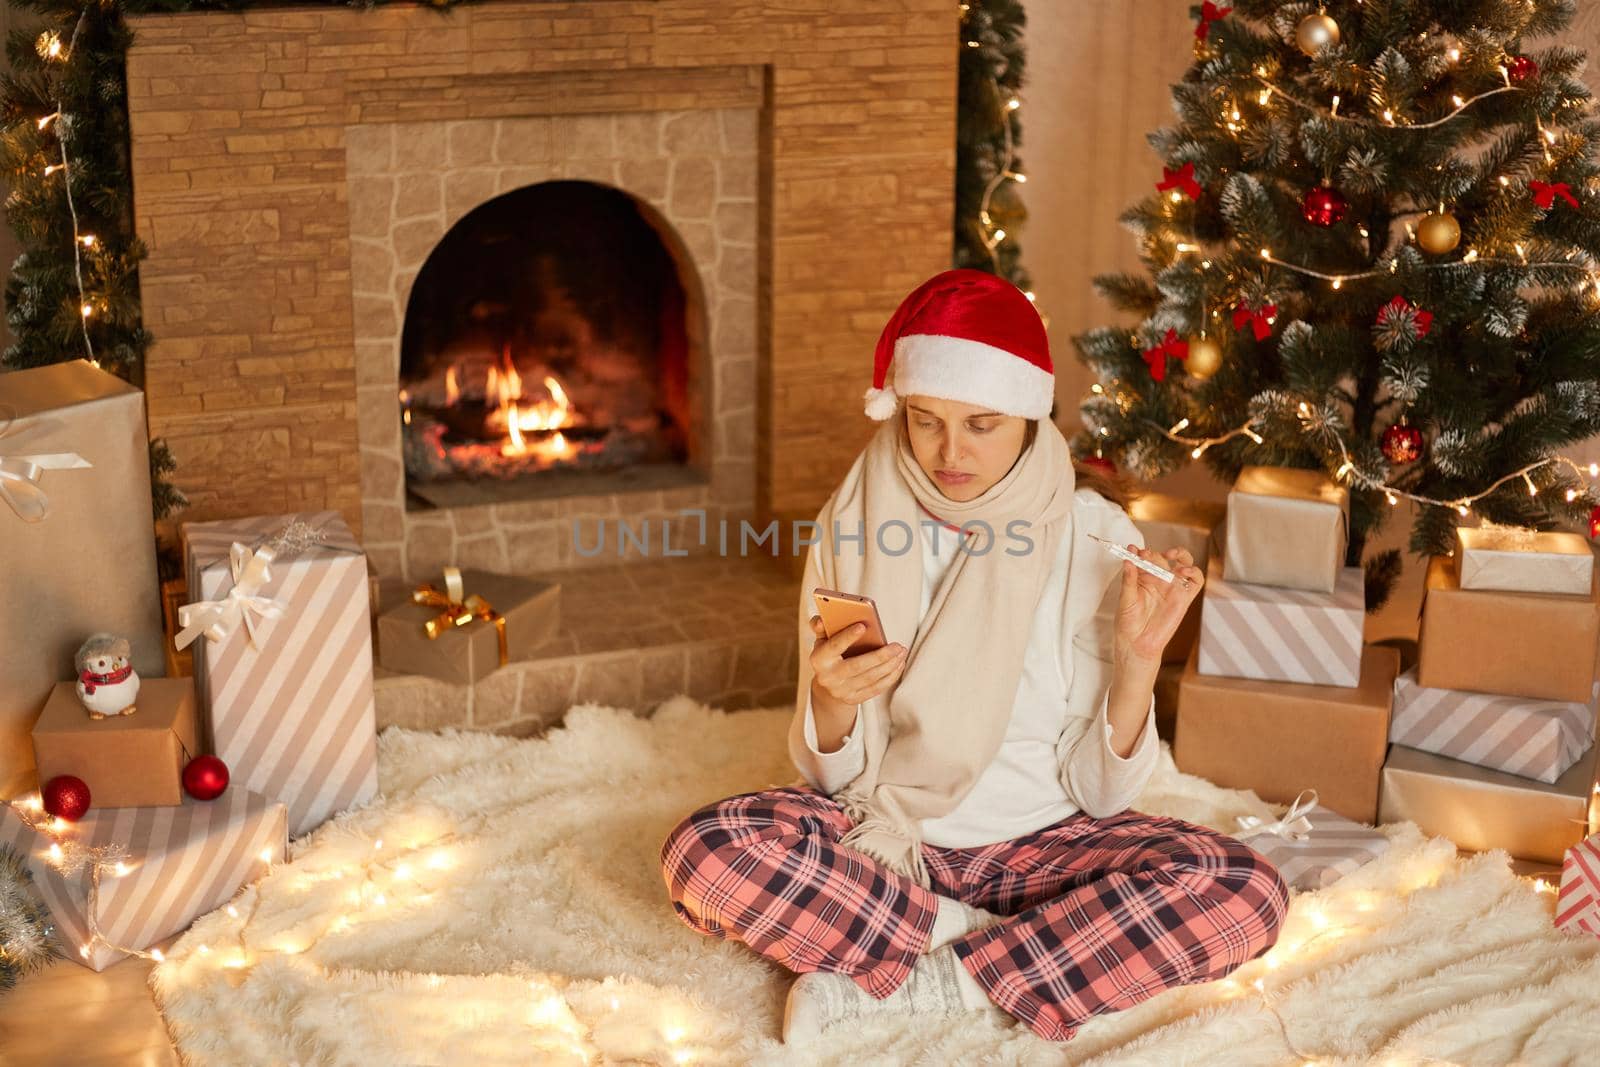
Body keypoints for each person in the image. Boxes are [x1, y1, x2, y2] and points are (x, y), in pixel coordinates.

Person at [659, 269, 1289, 1045]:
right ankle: (1009, 944)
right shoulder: (855, 522)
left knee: (1243, 891)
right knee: (707, 852)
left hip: (1045, 847)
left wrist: (1136, 665)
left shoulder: (1094, 535)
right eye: (925, 421)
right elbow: (832, 778)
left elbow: (1100, 796)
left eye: (982, 424)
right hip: (885, 838)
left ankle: (934, 974)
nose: (949, 452)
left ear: (1028, 413)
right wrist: (829, 701)